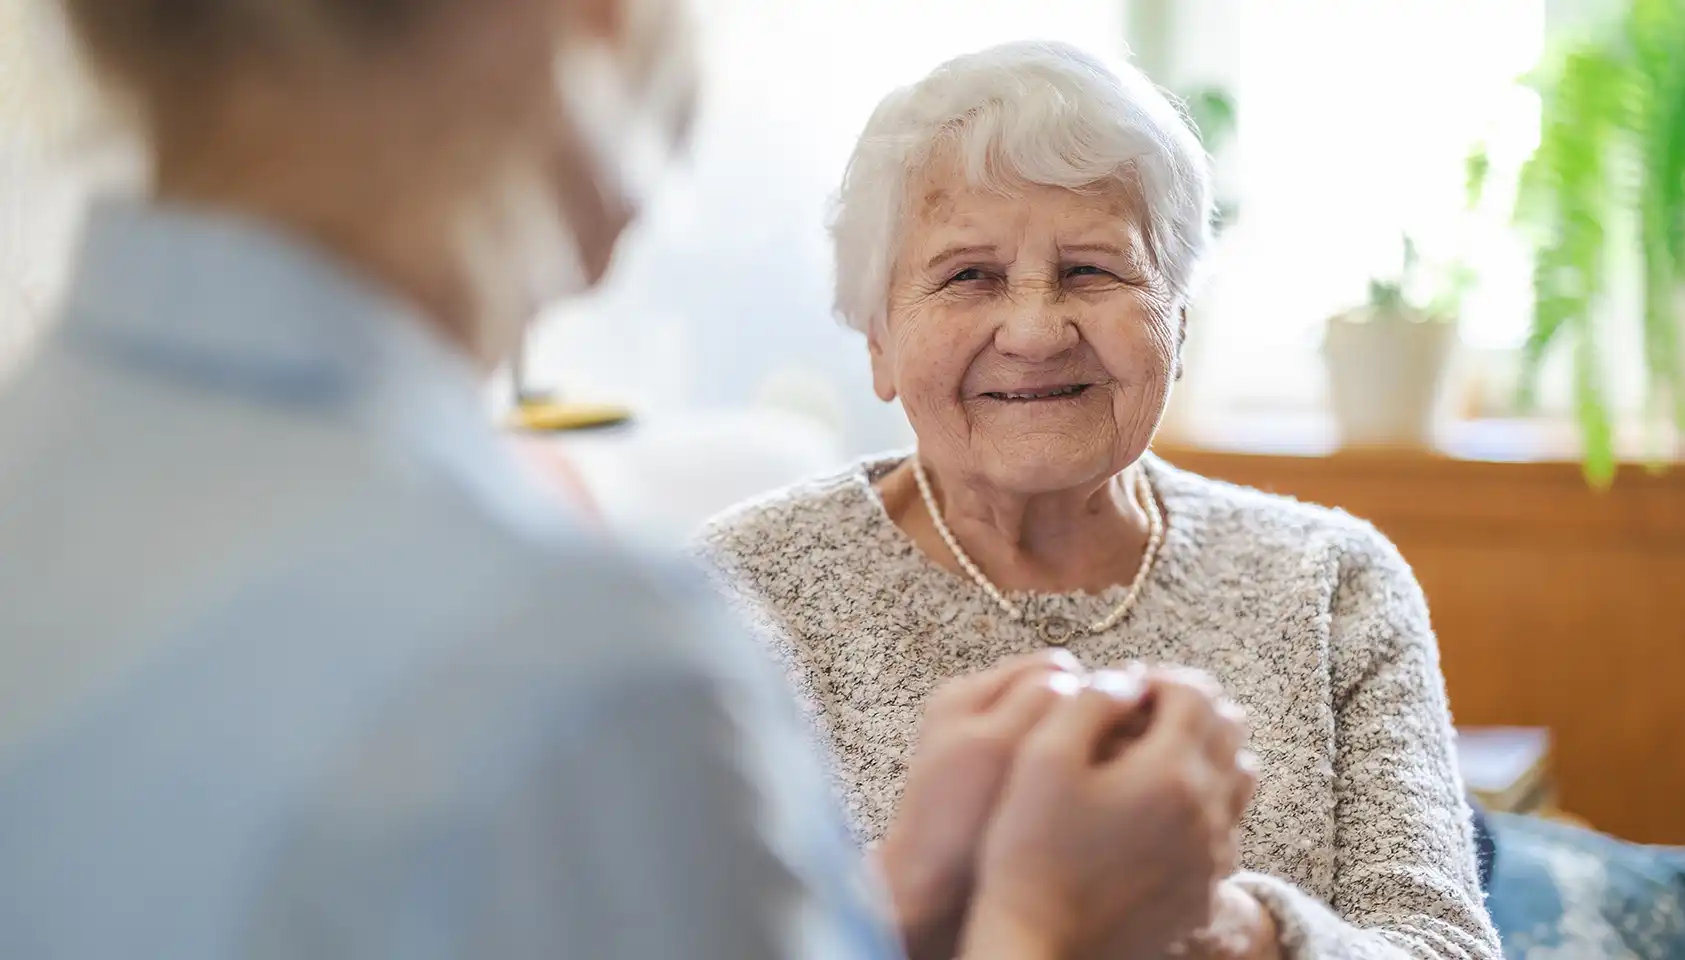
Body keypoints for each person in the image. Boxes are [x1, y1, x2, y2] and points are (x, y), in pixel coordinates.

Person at [0, 3, 1255, 958]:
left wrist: (902, 915)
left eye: (1091, 271)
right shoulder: (578, 659)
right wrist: (1052, 922)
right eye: (968, 275)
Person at [700, 40, 1503, 960]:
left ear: (1180, 321)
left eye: (1092, 269)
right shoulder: (735, 593)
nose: (1036, 331)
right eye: (970, 275)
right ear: (879, 341)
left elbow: (1446, 947)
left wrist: (1223, 927)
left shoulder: (1332, 583)